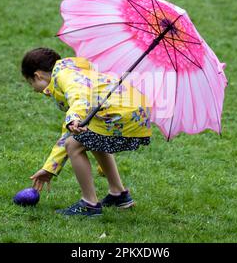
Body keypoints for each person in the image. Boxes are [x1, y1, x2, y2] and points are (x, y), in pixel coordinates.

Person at [21, 47, 152, 216]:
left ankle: (89, 203)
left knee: (73, 145)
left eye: (31, 83)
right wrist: (49, 168)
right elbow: (69, 130)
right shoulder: (73, 70)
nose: (33, 89)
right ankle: (119, 194)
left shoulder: (64, 75)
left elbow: (79, 96)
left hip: (121, 115)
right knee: (87, 138)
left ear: (38, 75)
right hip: (131, 112)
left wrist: (73, 117)